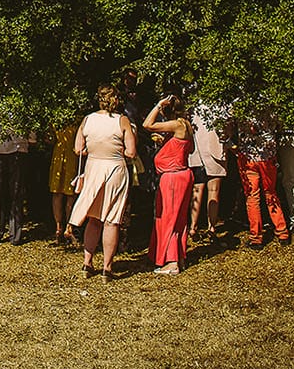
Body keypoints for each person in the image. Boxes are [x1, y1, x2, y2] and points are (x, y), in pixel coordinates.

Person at [69, 84, 136, 278]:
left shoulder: (87, 120)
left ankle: (87, 263)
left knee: (94, 218)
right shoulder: (122, 121)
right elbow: (131, 152)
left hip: (93, 168)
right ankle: (107, 267)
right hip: (115, 169)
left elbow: (78, 149)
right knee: (112, 220)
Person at [143, 93, 195, 275]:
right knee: (179, 218)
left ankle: (171, 262)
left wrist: (157, 105)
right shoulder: (187, 126)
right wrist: (167, 141)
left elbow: (147, 124)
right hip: (184, 175)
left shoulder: (177, 123)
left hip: (173, 177)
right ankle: (179, 256)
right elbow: (190, 149)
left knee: (169, 217)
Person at [234, 111, 291, 248]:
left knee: (252, 197)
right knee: (270, 193)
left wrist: (233, 146)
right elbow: (280, 124)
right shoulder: (270, 103)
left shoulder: (239, 105)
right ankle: (282, 232)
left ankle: (256, 237)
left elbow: (226, 126)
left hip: (248, 156)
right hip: (267, 155)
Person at [0, 118, 34, 244]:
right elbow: (32, 138)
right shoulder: (23, 111)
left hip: (1, 153)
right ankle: (15, 234)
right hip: (17, 153)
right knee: (15, 194)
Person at [188, 98, 229, 241]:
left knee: (197, 190)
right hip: (214, 150)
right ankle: (211, 227)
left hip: (197, 152)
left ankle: (193, 227)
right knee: (213, 191)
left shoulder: (193, 105)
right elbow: (226, 130)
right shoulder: (220, 104)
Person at [48, 112, 81, 247]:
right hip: (68, 154)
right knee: (66, 194)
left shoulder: (56, 117)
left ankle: (63, 227)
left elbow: (49, 139)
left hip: (65, 154)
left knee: (63, 193)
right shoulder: (76, 119)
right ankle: (64, 227)